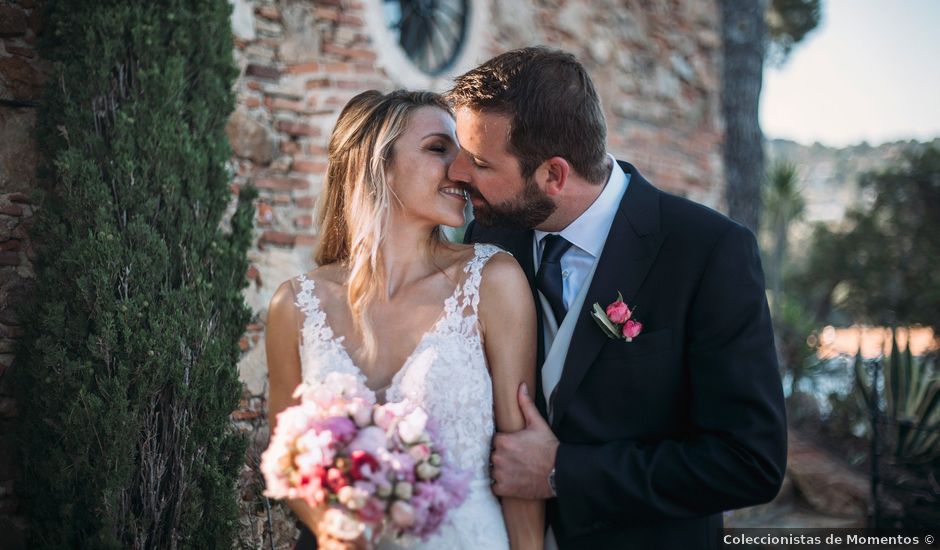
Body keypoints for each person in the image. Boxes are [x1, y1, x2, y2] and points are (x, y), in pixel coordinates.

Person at [448, 47, 788, 549]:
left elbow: (749, 462)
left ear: (554, 176)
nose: (457, 172)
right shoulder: (492, 240)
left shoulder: (707, 251)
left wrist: (564, 471)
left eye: (478, 161)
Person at [265, 90, 543, 550]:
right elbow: (285, 454)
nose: (461, 170)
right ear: (376, 163)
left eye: (464, 154)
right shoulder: (294, 305)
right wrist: (330, 529)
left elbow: (520, 463)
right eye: (439, 149)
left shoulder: (492, 281)